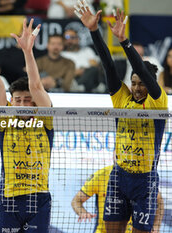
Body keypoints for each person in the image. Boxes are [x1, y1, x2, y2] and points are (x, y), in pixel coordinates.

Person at [74, 3, 167, 233]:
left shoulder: (158, 100)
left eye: (141, 83)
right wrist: (94, 32)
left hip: (145, 181)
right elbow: (108, 66)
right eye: (133, 83)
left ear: (151, 84)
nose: (136, 87)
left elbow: (141, 68)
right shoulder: (121, 98)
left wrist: (124, 41)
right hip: (119, 176)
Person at [0, 18, 54, 232]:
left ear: (35, 102)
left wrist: (28, 51)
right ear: (11, 102)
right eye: (17, 100)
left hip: (39, 198)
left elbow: (36, 86)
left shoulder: (45, 118)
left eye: (27, 100)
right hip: (8, 197)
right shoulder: (5, 119)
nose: (22, 104)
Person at [71, 165, 164, 233]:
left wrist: (156, 226)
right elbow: (76, 200)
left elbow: (159, 201)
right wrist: (82, 212)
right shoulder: (100, 175)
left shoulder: (140, 177)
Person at [61, 28, 104, 93]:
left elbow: (95, 65)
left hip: (91, 75)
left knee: (95, 70)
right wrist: (75, 72)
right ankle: (82, 86)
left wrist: (83, 70)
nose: (69, 40)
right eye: (66, 38)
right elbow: (62, 73)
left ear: (78, 39)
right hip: (74, 80)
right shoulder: (62, 55)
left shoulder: (87, 51)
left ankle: (83, 87)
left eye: (72, 37)